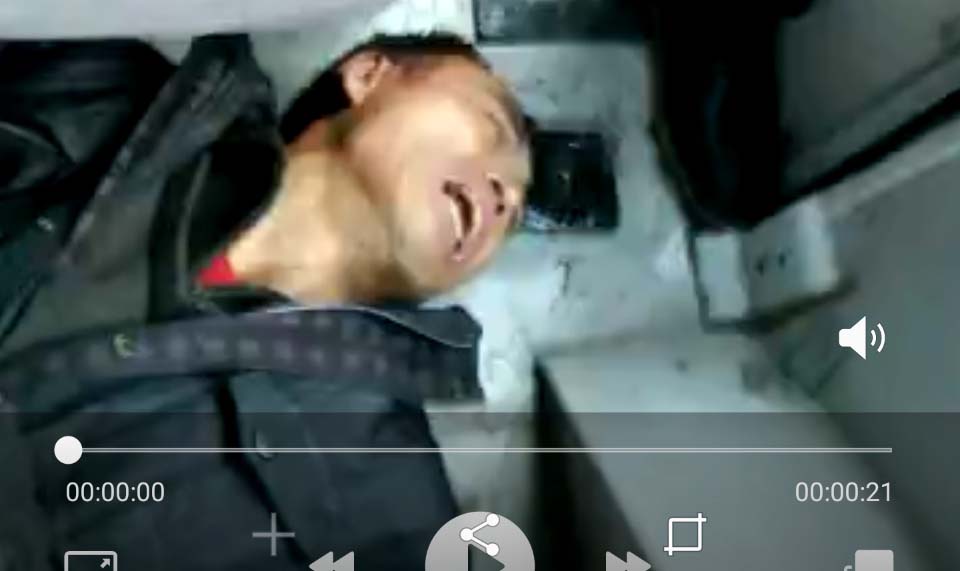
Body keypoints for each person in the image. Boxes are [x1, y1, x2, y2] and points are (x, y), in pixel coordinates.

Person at [0, 33, 530, 571]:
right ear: (369, 74)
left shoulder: (392, 519)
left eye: (511, 214)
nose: (506, 195)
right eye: (493, 126)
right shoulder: (111, 95)